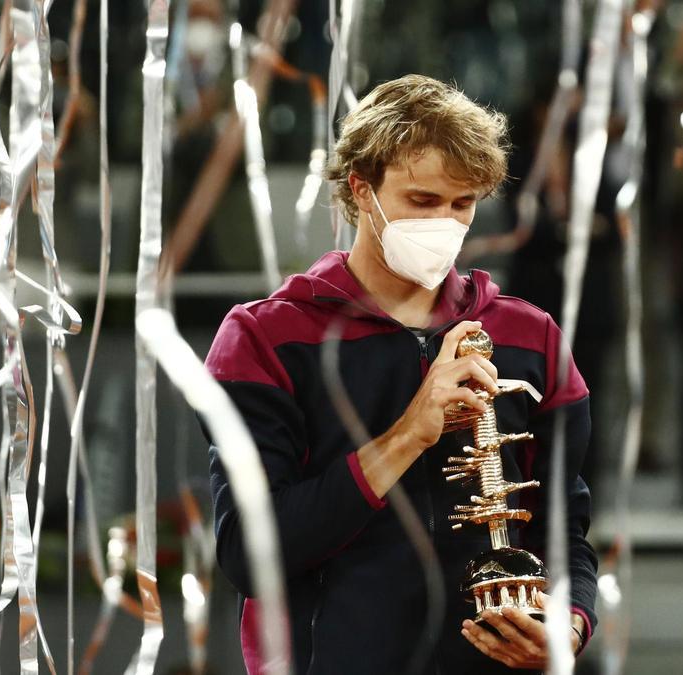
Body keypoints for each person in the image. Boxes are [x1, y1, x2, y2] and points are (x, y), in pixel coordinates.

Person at [204, 74, 598, 673]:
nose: (444, 221)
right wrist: (411, 430)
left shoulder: (530, 337)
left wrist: (568, 627)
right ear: (362, 190)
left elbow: (564, 531)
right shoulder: (266, 338)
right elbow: (248, 554)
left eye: (461, 204)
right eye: (422, 200)